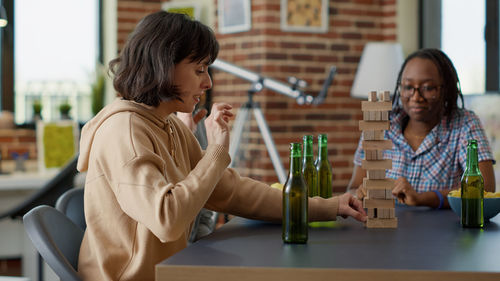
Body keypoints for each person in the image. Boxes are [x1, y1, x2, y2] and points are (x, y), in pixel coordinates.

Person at [77, 11, 366, 281]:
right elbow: (167, 219)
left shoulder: (168, 125)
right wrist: (215, 151)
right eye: (199, 69)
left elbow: (233, 192)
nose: (208, 82)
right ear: (163, 65)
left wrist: (327, 206)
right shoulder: (124, 132)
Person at [348, 48, 496, 209]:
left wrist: (425, 198)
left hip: (442, 231)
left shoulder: (464, 124)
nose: (416, 97)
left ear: (445, 89)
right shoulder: (379, 125)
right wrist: (360, 194)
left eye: (428, 88)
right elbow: (353, 187)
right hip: (385, 231)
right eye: (407, 87)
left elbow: (485, 190)